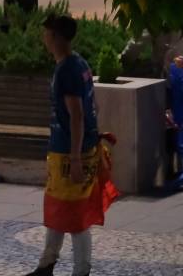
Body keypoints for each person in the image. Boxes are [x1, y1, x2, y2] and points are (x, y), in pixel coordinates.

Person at [25, 14, 117, 276]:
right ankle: (46, 264)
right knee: (58, 208)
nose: (43, 37)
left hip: (69, 153)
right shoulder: (79, 64)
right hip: (71, 149)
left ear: (55, 37)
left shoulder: (66, 70)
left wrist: (75, 158)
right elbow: (93, 105)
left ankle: (81, 271)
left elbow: (76, 114)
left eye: (46, 32)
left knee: (76, 216)